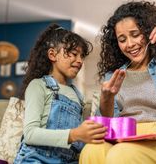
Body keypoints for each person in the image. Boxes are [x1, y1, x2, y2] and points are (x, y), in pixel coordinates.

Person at [79, 0, 156, 164]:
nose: (130, 44)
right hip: (125, 139)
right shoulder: (113, 76)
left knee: (121, 155)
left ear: (148, 32)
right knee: (91, 151)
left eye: (135, 34)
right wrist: (106, 99)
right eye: (122, 39)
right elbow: (106, 126)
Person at [14, 23, 107, 164]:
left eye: (82, 56)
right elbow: (30, 134)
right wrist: (74, 134)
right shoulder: (38, 85)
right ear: (52, 54)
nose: (79, 61)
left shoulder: (77, 95)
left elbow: (79, 139)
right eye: (74, 54)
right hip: (35, 159)